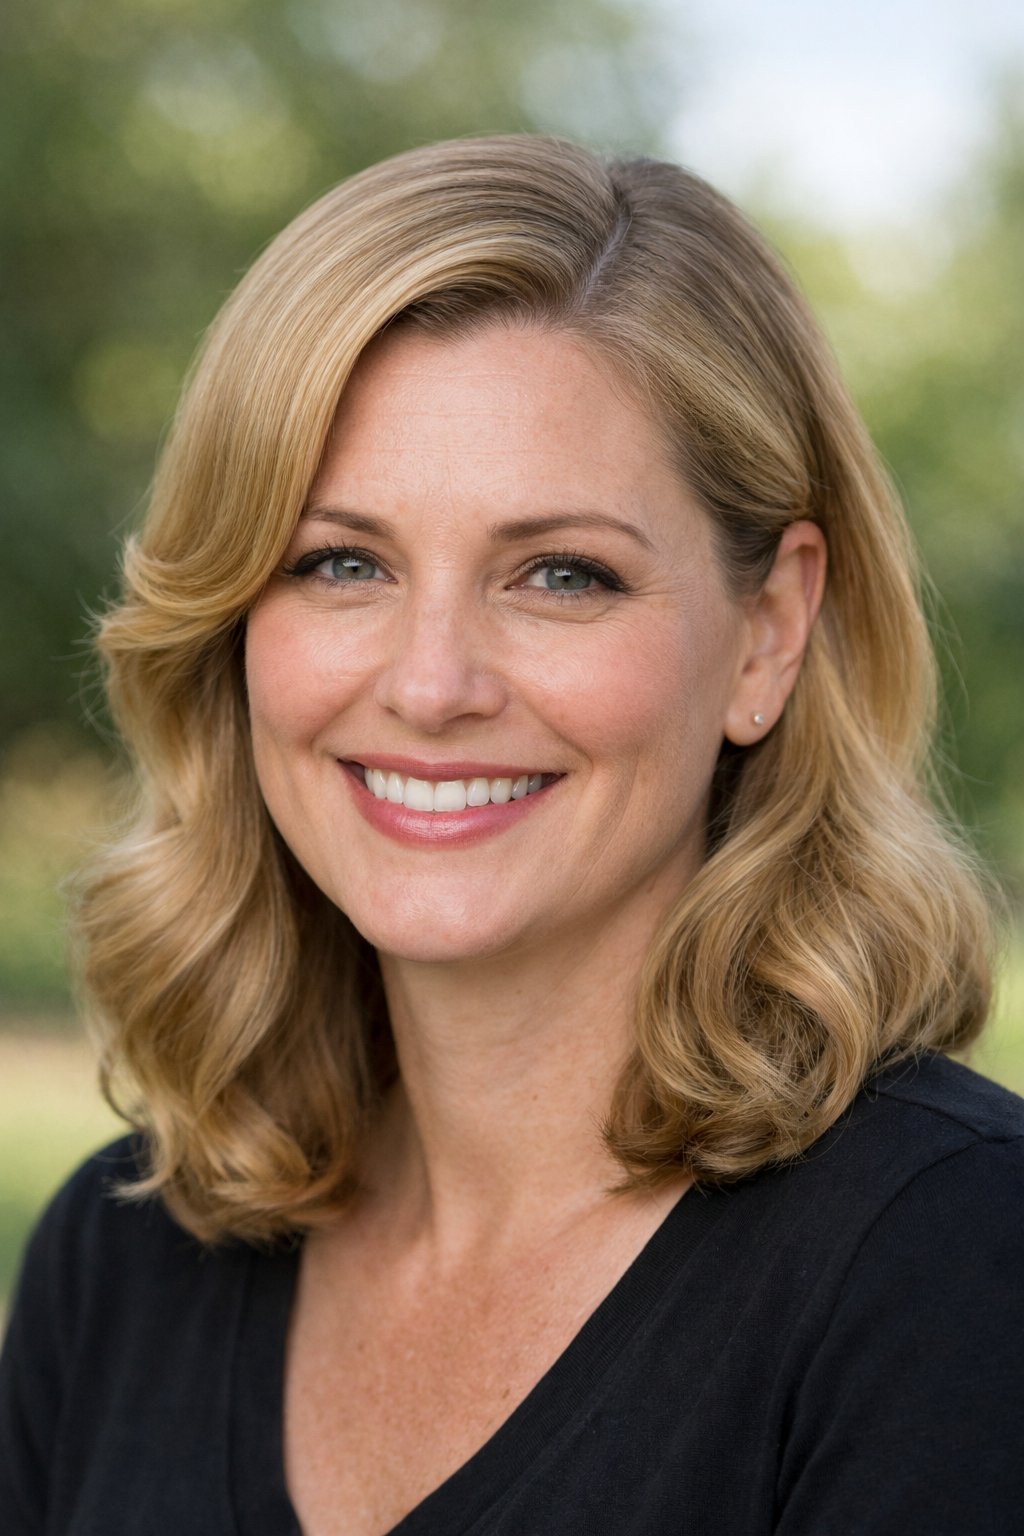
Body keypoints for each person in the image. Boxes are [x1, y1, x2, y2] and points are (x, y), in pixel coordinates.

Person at [1, 134, 1021, 1536]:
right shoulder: (123, 1258)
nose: (429, 686)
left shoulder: (956, 1266)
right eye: (339, 563)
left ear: (767, 634)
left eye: (560, 575)